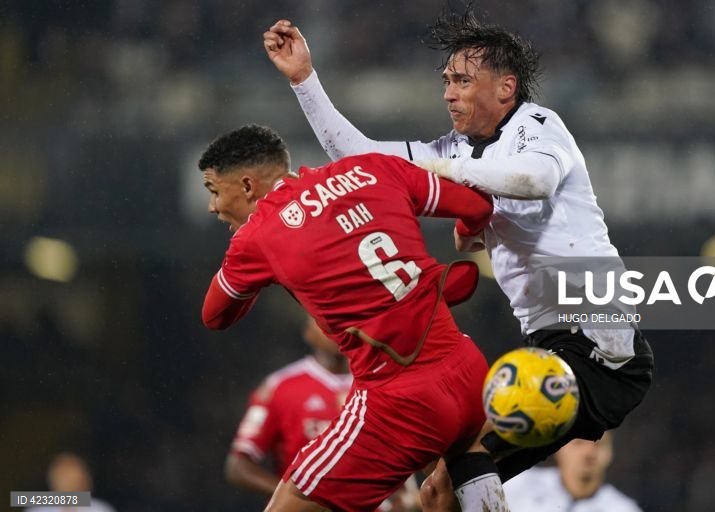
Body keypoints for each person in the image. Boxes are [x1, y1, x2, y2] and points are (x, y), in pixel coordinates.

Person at [264, 5, 654, 510]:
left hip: (599, 339)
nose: (449, 92)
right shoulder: (456, 148)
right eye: (446, 80)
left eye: (463, 81)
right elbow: (358, 156)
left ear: (505, 88)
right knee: (442, 488)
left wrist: (440, 171)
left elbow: (536, 181)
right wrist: (304, 80)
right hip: (551, 342)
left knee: (447, 485)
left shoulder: (537, 125)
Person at [199, 124, 501, 511]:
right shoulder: (371, 168)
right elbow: (476, 206)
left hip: (399, 400)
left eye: (213, 190)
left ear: (246, 186)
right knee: (439, 493)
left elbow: (214, 316)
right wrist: (465, 234)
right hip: (467, 370)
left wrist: (258, 277)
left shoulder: (257, 236)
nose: (212, 206)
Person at [226, 315, 352, 497]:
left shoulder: (379, 383)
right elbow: (238, 466)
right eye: (324, 321)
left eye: (341, 320)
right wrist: (296, 498)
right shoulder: (279, 387)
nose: (336, 329)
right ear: (308, 333)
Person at [502, 431, 643, 512]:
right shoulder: (515, 486)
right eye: (579, 443)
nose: (589, 453)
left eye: (599, 444)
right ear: (559, 449)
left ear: (610, 453)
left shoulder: (623, 509)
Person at [25, 452, 116, 512]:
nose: (64, 481)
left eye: (68, 475)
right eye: (59, 475)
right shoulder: (37, 509)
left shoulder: (99, 509)